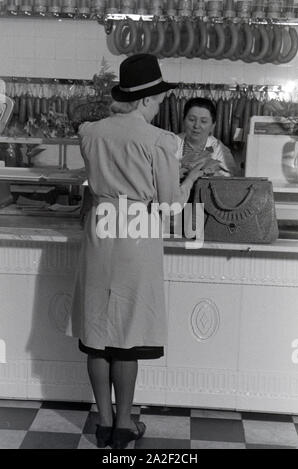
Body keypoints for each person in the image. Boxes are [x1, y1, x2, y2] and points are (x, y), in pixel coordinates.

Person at [70, 54, 203, 449]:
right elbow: (169, 204)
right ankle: (125, 424)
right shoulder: (161, 141)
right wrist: (193, 175)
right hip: (137, 233)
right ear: (146, 100)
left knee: (97, 331)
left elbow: (95, 185)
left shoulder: (90, 132)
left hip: (99, 229)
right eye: (159, 100)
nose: (160, 106)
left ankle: (104, 423)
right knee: (127, 332)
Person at [178, 97, 237, 179]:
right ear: (183, 121)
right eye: (191, 120)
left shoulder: (219, 149)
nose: (196, 125)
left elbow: (229, 179)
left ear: (213, 125)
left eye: (203, 121)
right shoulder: (171, 142)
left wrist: (206, 172)